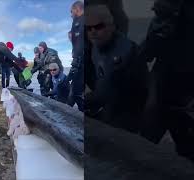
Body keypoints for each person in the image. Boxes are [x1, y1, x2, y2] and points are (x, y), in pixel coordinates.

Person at [139, 0, 194, 162]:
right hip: (161, 91)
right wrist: (156, 37)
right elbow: (146, 54)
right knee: (145, 147)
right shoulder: (160, 22)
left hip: (184, 96)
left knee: (187, 150)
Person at [86, 5, 148, 133]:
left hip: (130, 109)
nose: (93, 31)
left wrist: (89, 100)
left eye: (98, 26)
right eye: (89, 28)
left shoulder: (124, 51)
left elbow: (106, 89)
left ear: (111, 27)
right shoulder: (96, 47)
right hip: (111, 103)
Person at [67, 0, 85, 112]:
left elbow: (80, 44)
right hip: (80, 62)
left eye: (71, 12)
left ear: (76, 9)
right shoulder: (78, 22)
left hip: (81, 63)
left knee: (75, 92)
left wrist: (75, 63)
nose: (70, 15)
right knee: (75, 92)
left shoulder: (80, 21)